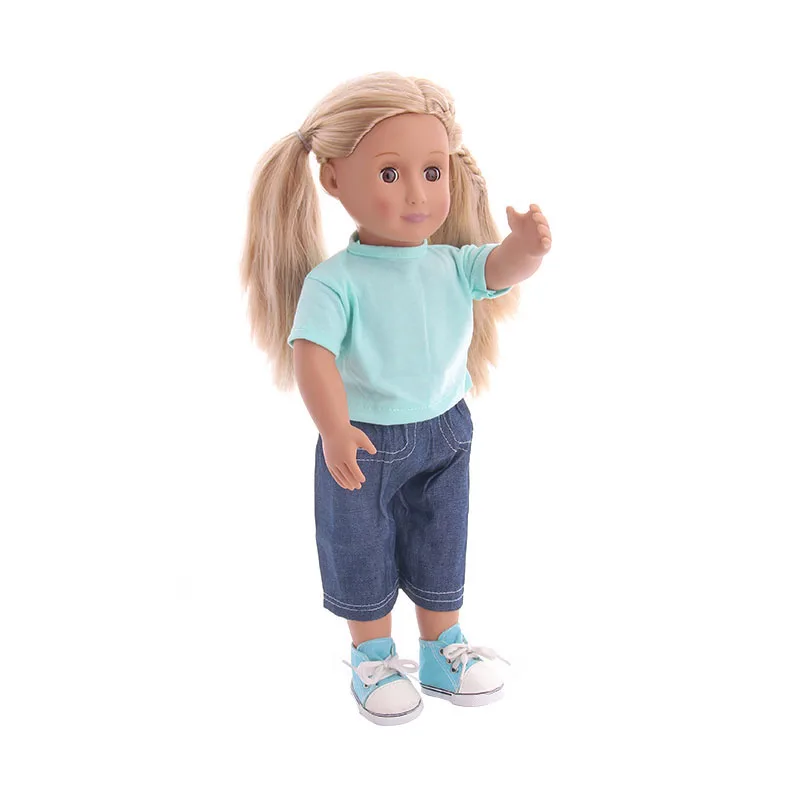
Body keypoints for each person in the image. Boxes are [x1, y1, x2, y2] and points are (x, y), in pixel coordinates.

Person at [240, 71, 551, 726]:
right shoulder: (336, 281)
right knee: (361, 546)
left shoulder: (450, 263)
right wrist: (333, 428)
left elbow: (497, 270)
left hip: (447, 430)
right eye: (390, 174)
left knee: (443, 538)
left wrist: (525, 250)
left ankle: (442, 648)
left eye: (432, 172)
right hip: (364, 439)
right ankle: (373, 657)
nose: (417, 193)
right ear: (333, 180)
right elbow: (312, 354)